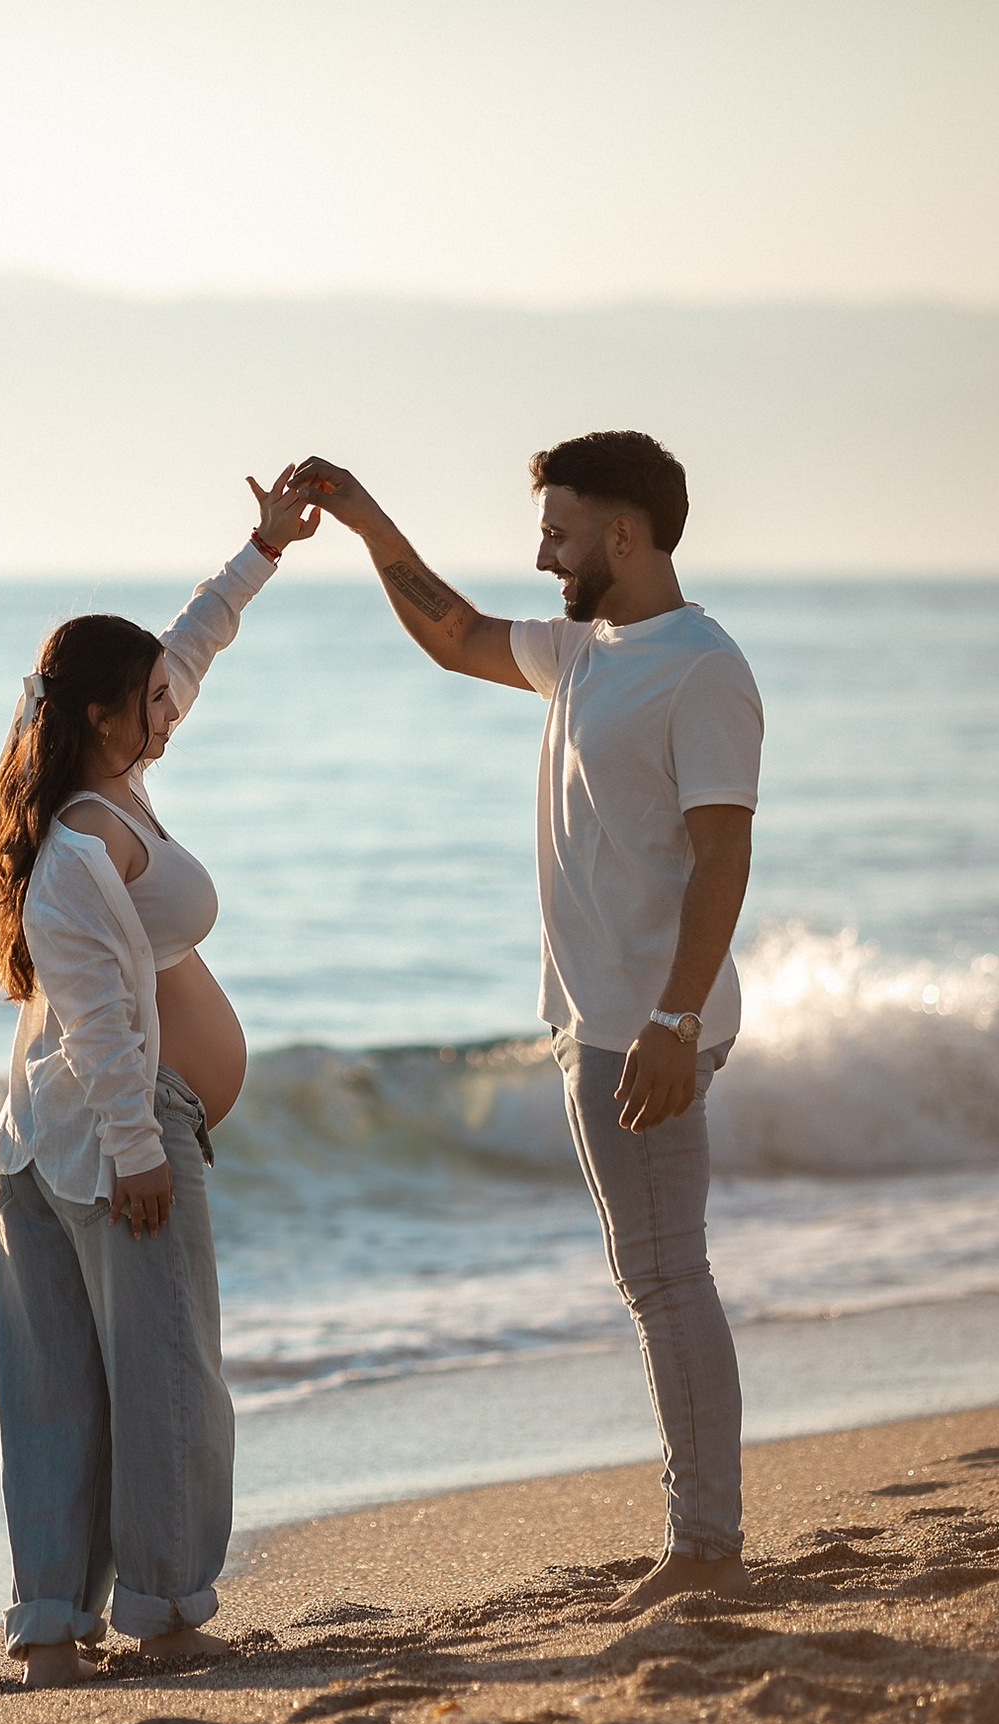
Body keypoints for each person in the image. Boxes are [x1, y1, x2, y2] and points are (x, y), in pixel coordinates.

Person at [300, 432, 763, 1616]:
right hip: (599, 1019)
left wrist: (673, 1013)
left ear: (623, 532)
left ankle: (705, 1545)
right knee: (652, 1271)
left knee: (666, 1275)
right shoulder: (584, 651)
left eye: (558, 530)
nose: (541, 550)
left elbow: (724, 852)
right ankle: (700, 1532)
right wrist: (360, 516)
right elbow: (453, 634)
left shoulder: (701, 668)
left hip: (646, 1022)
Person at [0, 462, 322, 1687]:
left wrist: (262, 548)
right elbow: (92, 1021)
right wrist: (138, 1149)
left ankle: (53, 1627)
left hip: (53, 1142)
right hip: (104, 1140)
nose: (169, 711)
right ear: (97, 718)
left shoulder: (116, 779)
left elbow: (190, 645)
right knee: (166, 1381)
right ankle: (165, 1613)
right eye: (146, 704)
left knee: (64, 1389)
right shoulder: (74, 848)